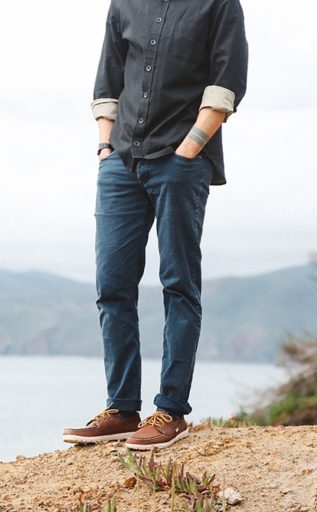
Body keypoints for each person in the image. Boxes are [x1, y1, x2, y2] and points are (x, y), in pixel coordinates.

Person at [62, 0, 248, 450]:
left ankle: (171, 411)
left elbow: (226, 82)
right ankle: (122, 410)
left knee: (178, 284)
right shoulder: (124, 3)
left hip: (181, 161)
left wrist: (190, 149)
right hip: (120, 161)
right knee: (112, 285)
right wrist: (105, 148)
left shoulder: (219, 4)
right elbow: (108, 80)